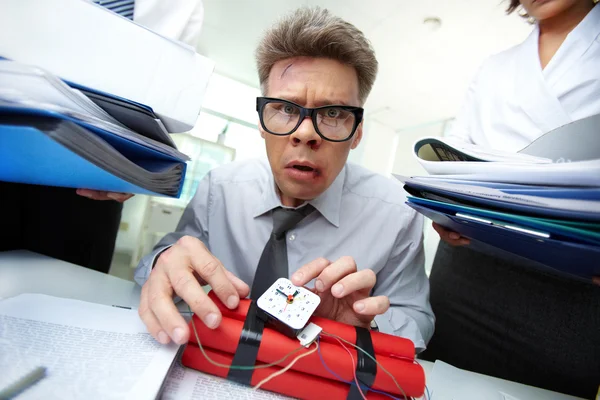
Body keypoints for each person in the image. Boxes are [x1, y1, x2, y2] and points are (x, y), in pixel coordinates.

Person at [134, 6, 434, 353]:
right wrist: (164, 263)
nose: (306, 133)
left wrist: (369, 328)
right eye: (287, 109)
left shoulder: (398, 213)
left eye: (334, 113)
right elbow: (157, 269)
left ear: (357, 132)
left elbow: (417, 318)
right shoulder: (220, 189)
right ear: (262, 120)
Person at [420, 1, 600, 398]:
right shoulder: (494, 68)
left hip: (571, 289)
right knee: (438, 385)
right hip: (467, 271)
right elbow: (456, 154)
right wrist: (447, 207)